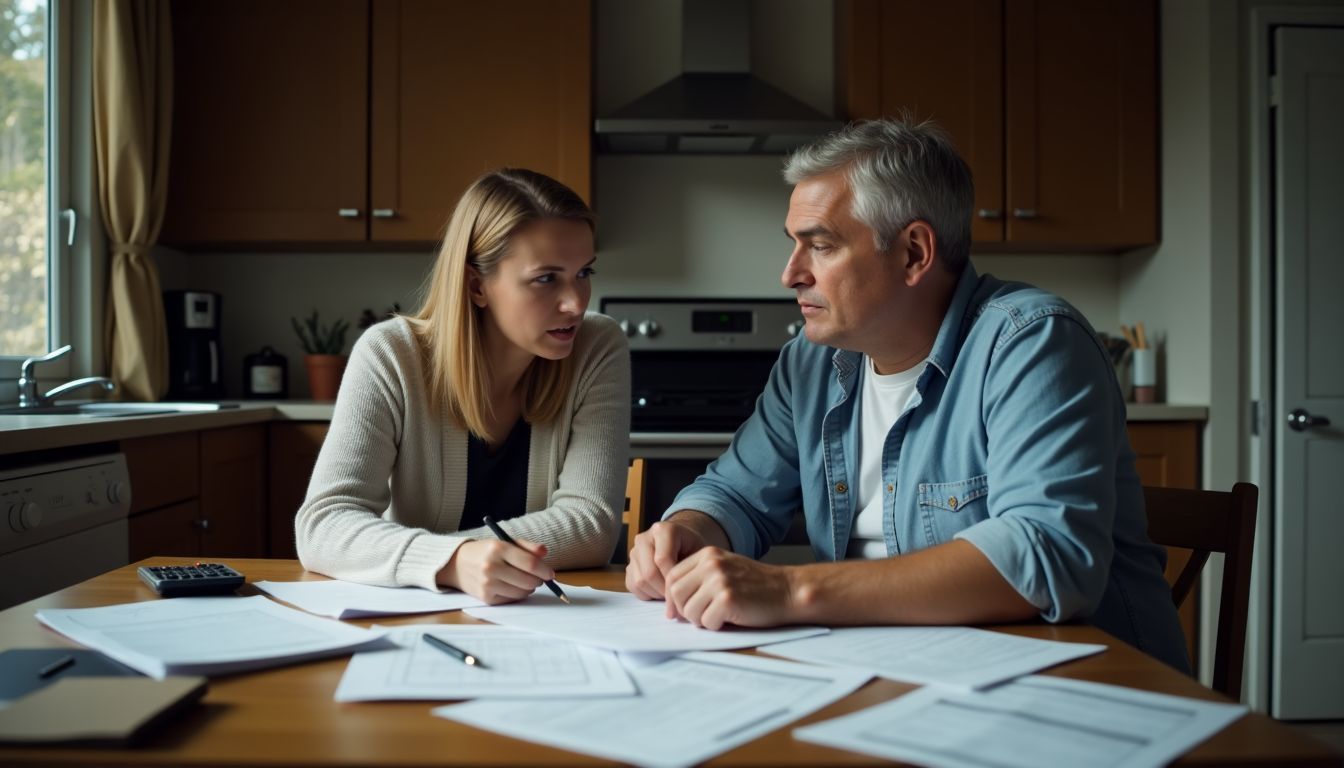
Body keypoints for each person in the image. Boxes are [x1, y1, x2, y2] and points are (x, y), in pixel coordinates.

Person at [625, 118, 1189, 672]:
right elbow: (737, 495)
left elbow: (1045, 554)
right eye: (794, 245)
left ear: (915, 253)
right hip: (892, 669)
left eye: (819, 246)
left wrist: (790, 590)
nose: (790, 273)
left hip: (1078, 686)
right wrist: (688, 531)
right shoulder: (810, 361)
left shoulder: (1032, 341)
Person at [297, 168, 630, 604]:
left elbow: (592, 525)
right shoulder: (390, 355)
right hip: (418, 614)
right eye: (546, 278)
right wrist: (454, 560)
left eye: (583, 273)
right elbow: (323, 525)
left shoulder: (597, 347)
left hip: (550, 616)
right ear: (477, 285)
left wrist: (443, 557)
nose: (575, 303)